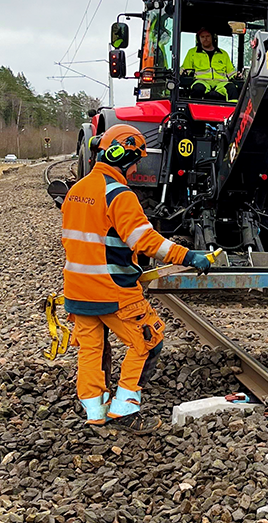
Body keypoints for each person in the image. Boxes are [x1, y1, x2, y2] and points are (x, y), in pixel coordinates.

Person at [61, 124, 212, 431]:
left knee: (91, 350)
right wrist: (187, 256)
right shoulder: (118, 195)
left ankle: (95, 412)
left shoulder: (76, 191)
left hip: (77, 290)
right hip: (112, 290)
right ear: (122, 157)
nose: (134, 170)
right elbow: (145, 241)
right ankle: (125, 409)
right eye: (134, 163)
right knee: (148, 340)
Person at [181, 28, 237, 99]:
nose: (205, 39)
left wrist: (236, 76)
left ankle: (235, 107)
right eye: (202, 37)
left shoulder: (223, 54)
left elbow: (230, 72)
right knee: (197, 89)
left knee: (232, 89)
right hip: (201, 81)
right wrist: (182, 72)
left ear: (212, 37)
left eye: (207, 36)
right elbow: (186, 69)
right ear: (198, 39)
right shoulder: (192, 53)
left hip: (221, 83)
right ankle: (194, 106)